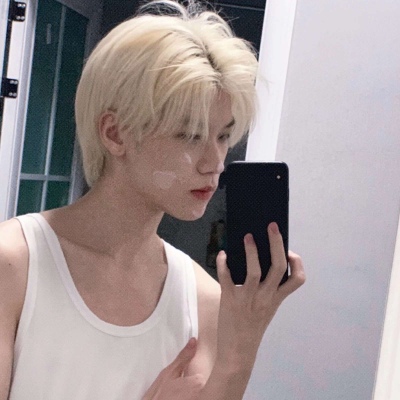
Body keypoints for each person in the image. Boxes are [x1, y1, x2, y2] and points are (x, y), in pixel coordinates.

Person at [0, 1, 305, 399]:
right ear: (115, 133)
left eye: (223, 136)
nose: (215, 162)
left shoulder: (203, 300)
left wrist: (242, 347)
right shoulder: (14, 264)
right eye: (190, 135)